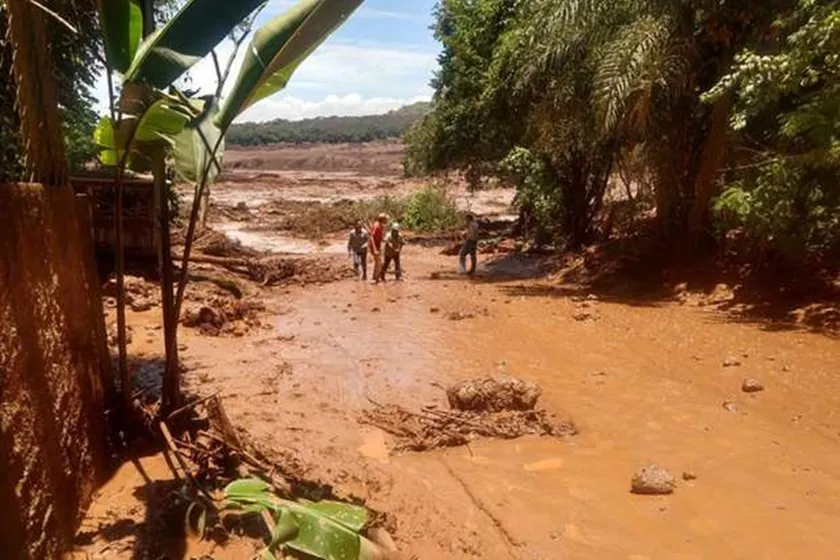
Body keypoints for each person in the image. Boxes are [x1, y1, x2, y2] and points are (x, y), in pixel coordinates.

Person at [368, 213, 387, 283]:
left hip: (377, 246)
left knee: (378, 262)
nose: (386, 221)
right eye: (385, 219)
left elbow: (380, 237)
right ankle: (374, 278)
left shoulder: (381, 226)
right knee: (378, 263)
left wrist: (384, 240)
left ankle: (376, 278)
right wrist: (375, 249)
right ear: (383, 219)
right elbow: (372, 237)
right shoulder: (377, 226)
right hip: (374, 246)